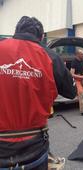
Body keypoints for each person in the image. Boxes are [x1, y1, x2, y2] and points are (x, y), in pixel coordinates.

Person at [0, 16, 76, 170]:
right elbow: (71, 91)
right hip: (34, 148)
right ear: (41, 37)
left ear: (16, 32)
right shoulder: (52, 57)